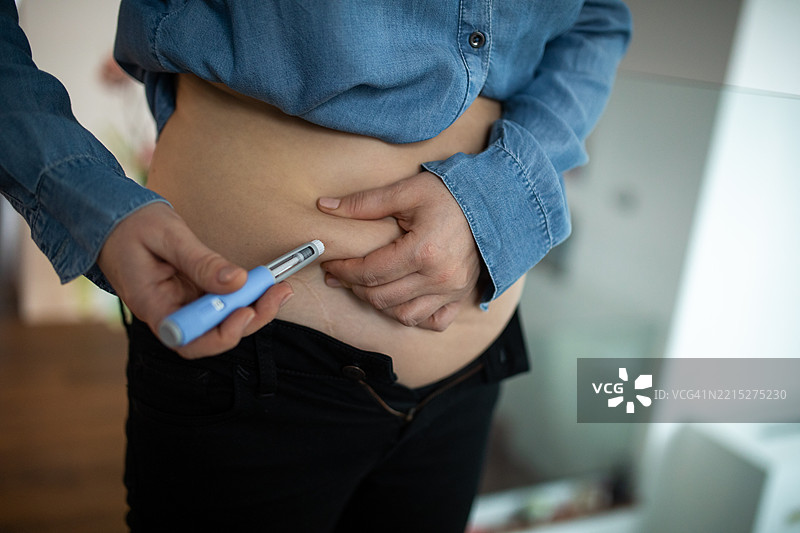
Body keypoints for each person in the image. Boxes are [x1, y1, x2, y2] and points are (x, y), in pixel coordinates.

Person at [1, 1, 632, 531]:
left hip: (467, 381)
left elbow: (598, 19)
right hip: (249, 369)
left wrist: (505, 195)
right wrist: (81, 192)